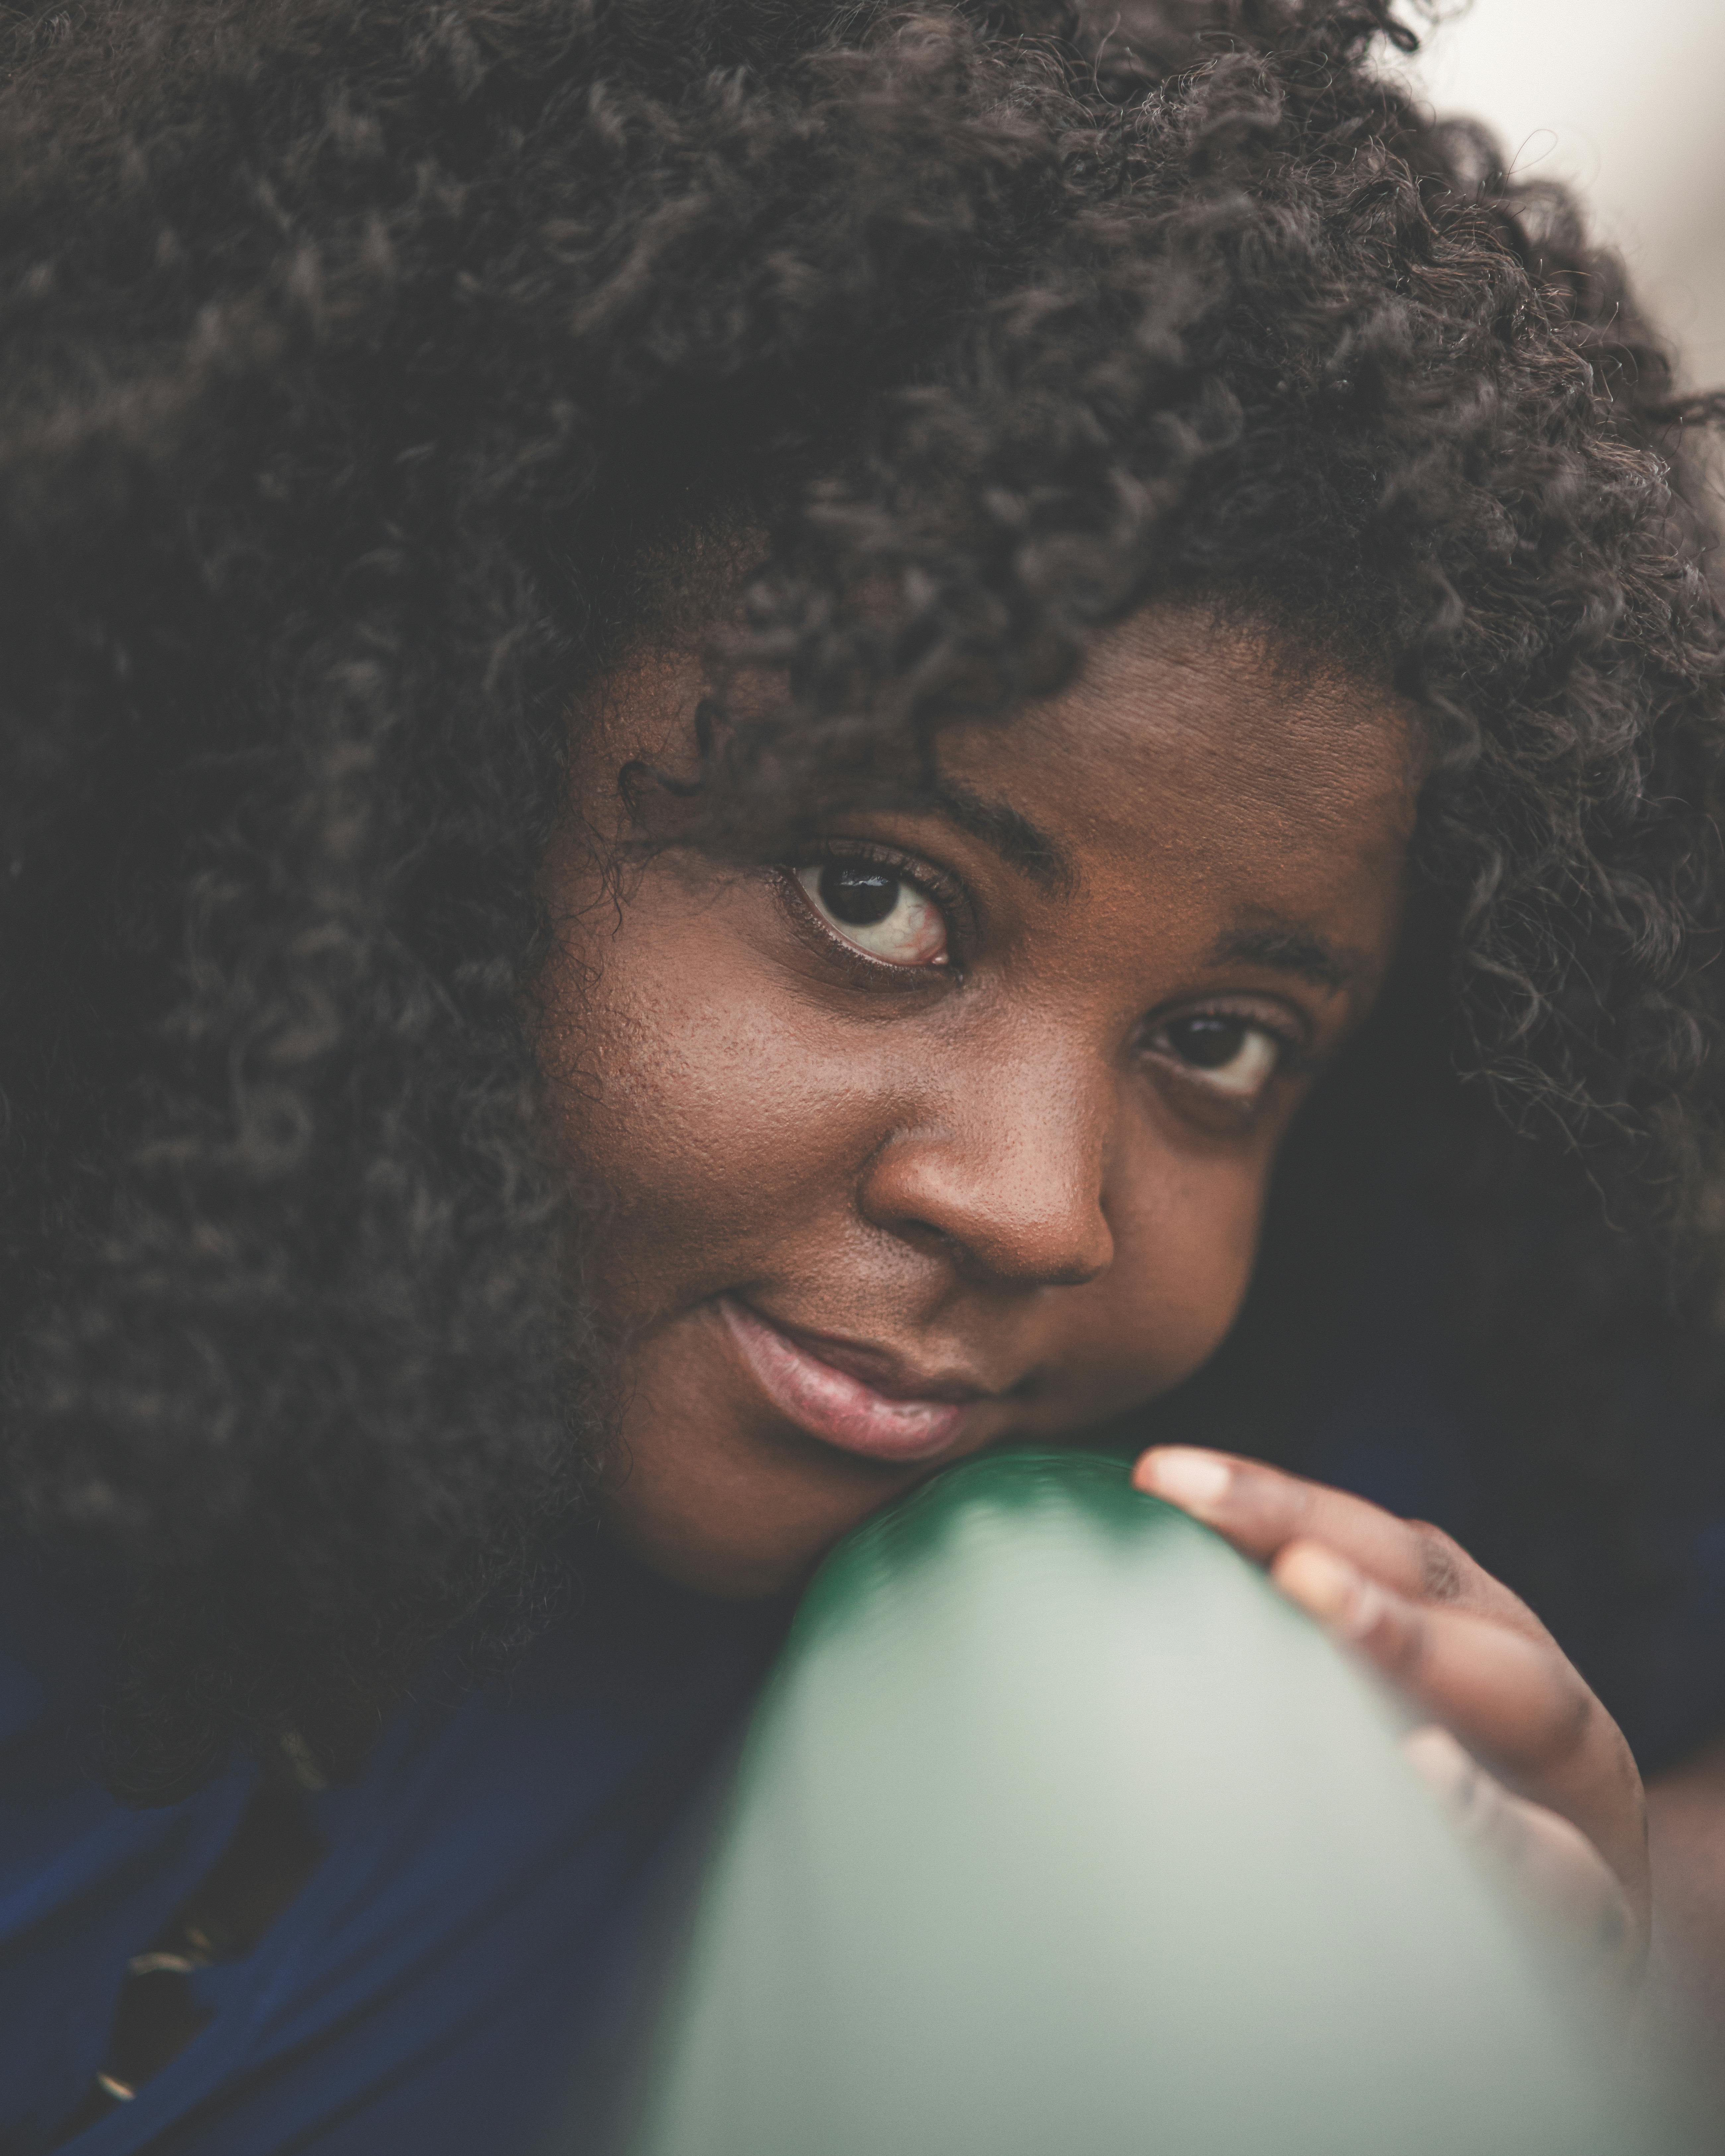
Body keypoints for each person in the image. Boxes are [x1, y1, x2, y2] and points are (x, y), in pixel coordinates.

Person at [1, 0, 1721, 2147]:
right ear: (416, 771)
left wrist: (1548, 1976)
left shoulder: (1268, 1454)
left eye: (1219, 1040)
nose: (1037, 1202)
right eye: (878, 900)